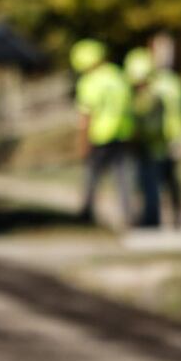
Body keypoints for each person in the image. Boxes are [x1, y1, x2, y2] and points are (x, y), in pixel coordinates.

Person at [71, 39, 135, 225]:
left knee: (92, 176)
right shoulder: (118, 76)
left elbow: (86, 115)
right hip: (123, 133)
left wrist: (83, 142)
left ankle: (86, 212)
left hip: (99, 135)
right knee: (123, 179)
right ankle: (127, 214)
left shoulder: (90, 81)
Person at [147, 38, 181, 229]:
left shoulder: (172, 83)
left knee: (168, 178)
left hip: (171, 137)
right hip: (158, 137)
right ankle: (157, 216)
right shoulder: (156, 82)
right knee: (160, 179)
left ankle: (175, 215)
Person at [124, 47, 164, 228]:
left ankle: (149, 218)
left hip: (147, 145)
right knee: (143, 184)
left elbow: (146, 124)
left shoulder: (151, 97)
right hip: (146, 145)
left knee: (147, 184)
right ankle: (145, 217)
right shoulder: (151, 95)